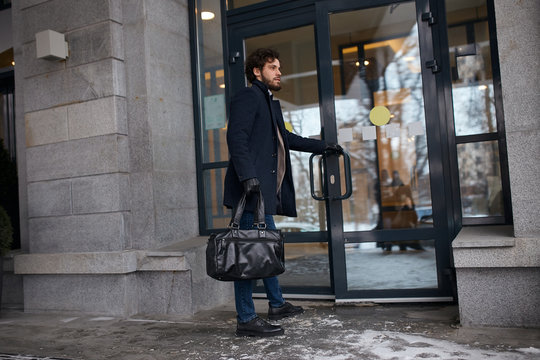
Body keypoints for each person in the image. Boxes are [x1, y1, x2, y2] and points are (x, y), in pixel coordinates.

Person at [223, 48, 341, 337]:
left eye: (280, 68)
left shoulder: (269, 103)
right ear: (256, 71)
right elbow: (235, 136)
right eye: (273, 67)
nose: (279, 72)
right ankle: (246, 319)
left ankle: (276, 304)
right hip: (250, 191)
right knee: (248, 256)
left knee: (268, 249)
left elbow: (285, 139)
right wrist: (248, 177)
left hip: (263, 194)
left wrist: (323, 145)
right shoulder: (249, 96)